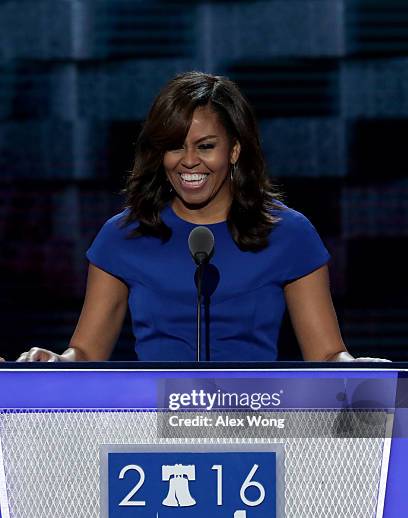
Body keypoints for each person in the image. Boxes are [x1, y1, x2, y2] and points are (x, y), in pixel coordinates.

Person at [15, 72, 387, 364]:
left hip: (258, 426)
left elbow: (325, 356)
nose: (189, 160)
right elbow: (86, 354)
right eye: (175, 146)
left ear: (235, 150)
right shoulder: (123, 236)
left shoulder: (289, 234)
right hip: (152, 434)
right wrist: (52, 361)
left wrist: (360, 369)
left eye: (206, 146)